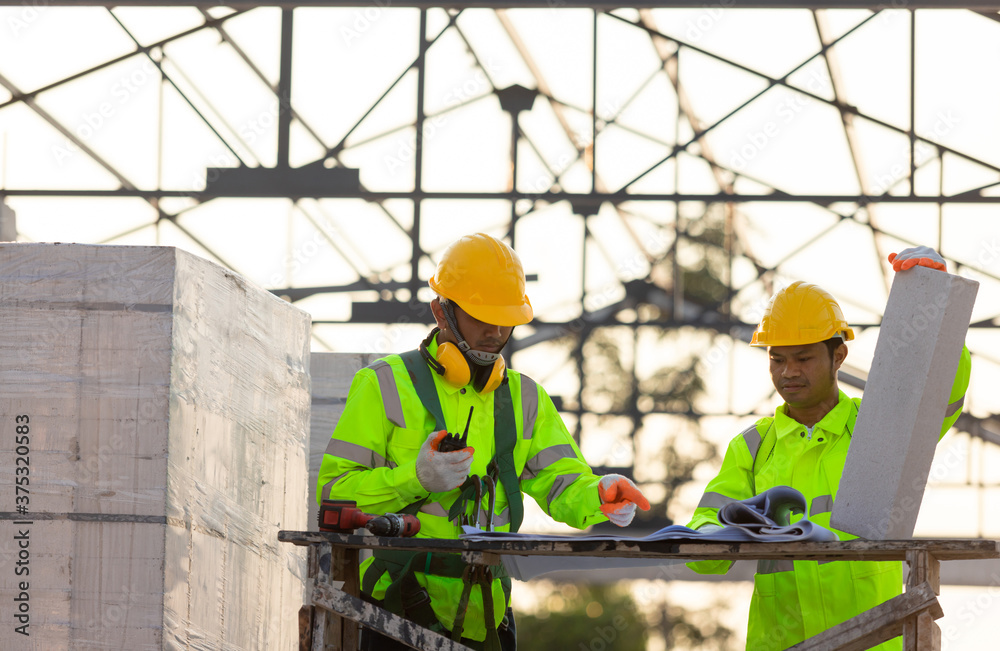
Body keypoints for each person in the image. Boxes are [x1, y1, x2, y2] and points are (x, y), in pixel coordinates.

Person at [317, 232, 650, 651]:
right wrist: (415, 478)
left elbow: (562, 482)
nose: (495, 331)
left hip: (487, 619)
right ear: (442, 311)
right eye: (481, 317)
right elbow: (332, 496)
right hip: (394, 614)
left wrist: (599, 494)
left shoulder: (526, 399)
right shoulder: (383, 385)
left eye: (505, 319)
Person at [687, 246, 972, 651]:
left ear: (838, 355)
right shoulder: (752, 446)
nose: (789, 372)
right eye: (777, 359)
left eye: (803, 358)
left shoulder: (874, 426)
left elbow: (940, 396)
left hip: (877, 641)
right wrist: (717, 531)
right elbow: (702, 551)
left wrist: (935, 303)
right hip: (783, 641)